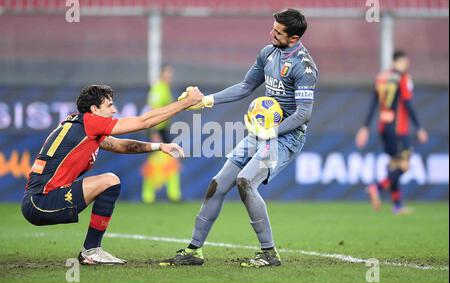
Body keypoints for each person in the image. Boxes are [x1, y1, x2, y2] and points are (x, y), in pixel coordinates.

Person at [160, 8, 318, 267]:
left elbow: (303, 114)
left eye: (278, 32)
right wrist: (205, 101)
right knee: (218, 184)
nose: (271, 33)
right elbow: (245, 87)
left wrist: (271, 131)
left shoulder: (304, 67)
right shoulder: (268, 53)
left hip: (285, 139)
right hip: (260, 133)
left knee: (245, 181)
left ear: (294, 38)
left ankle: (269, 254)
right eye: (273, 27)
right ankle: (193, 251)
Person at [21, 84, 202, 265]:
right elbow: (144, 122)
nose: (114, 110)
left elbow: (122, 146)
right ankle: (91, 251)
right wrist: (186, 103)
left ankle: (91, 251)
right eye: (109, 105)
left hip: (39, 200)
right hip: (40, 202)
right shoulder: (89, 122)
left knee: (109, 181)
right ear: (94, 109)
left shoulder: (82, 125)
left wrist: (159, 146)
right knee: (110, 181)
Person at [355, 50, 428, 215]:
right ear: (399, 61)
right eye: (405, 63)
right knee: (404, 165)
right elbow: (408, 104)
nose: (406, 66)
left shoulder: (380, 77)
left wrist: (365, 127)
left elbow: (373, 103)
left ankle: (397, 206)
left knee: (394, 165)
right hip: (398, 128)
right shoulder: (403, 78)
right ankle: (377, 187)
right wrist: (419, 127)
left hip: (383, 127)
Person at [142, 64, 182, 204]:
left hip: (163, 129)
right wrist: (153, 132)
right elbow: (152, 109)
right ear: (161, 74)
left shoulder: (165, 88)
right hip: (156, 129)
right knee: (155, 163)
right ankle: (148, 195)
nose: (169, 76)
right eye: (167, 73)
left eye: (171, 74)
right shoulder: (158, 88)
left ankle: (173, 194)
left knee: (171, 160)